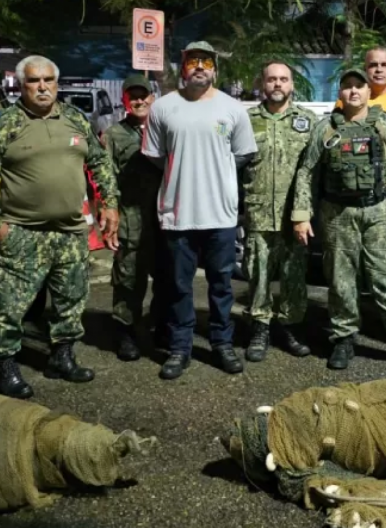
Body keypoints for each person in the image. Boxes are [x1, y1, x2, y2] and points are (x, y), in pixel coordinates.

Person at [0, 55, 120, 399]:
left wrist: (110, 202)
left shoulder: (75, 119)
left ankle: (62, 358)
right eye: (34, 81)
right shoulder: (4, 124)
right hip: (21, 233)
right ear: (21, 86)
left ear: (57, 82)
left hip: (69, 231)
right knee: (9, 307)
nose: (42, 87)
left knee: (71, 301)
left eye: (48, 80)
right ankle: (3, 367)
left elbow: (99, 162)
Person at [292, 68, 386, 373]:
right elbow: (307, 173)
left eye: (359, 86)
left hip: (382, 211)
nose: (353, 91)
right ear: (339, 94)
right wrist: (301, 216)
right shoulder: (325, 129)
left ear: (370, 92)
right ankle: (343, 339)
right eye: (347, 87)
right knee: (341, 281)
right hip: (337, 214)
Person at [143, 41, 258, 380]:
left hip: (220, 215)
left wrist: (214, 173)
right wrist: (184, 171)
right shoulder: (164, 107)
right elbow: (154, 155)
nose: (199, 67)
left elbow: (242, 154)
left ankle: (222, 343)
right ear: (182, 67)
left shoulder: (233, 108)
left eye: (205, 61)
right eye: (192, 60)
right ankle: (180, 348)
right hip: (178, 214)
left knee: (221, 284)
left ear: (214, 69)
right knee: (179, 285)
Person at [241, 62, 317, 362]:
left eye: (283, 79)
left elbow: (314, 171)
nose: (277, 84)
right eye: (271, 79)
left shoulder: (308, 121)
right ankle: (260, 329)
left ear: (292, 85)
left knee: (294, 276)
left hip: (295, 217)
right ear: (262, 83)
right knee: (257, 275)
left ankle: (290, 328)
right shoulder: (246, 120)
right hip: (258, 213)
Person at [103, 74, 170, 361]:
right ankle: (126, 331)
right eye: (133, 96)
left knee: (168, 278)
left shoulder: (166, 130)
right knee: (129, 280)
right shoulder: (114, 135)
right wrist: (109, 216)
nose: (139, 100)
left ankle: (160, 325)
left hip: (165, 218)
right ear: (125, 101)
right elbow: (106, 178)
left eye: (144, 95)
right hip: (131, 219)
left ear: (152, 99)